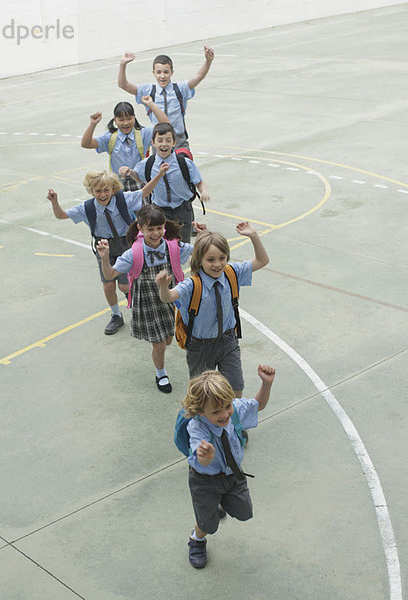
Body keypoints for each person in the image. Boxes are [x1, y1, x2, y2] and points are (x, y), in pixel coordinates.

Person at [97, 203, 205, 393]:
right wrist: (105, 258)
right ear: (140, 228)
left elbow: (199, 252)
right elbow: (111, 273)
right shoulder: (134, 253)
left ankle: (161, 359)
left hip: (171, 298)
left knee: (170, 339)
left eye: (159, 228)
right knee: (160, 344)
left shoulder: (173, 247)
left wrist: (204, 235)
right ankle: (161, 374)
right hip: (147, 301)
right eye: (150, 229)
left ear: (164, 226)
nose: (155, 233)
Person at [47, 168, 167, 335]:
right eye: (98, 191)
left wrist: (159, 175)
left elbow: (144, 191)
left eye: (106, 190)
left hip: (126, 244)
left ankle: (136, 304)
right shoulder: (87, 208)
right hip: (104, 248)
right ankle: (116, 315)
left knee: (125, 285)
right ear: (91, 191)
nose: (102, 194)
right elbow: (61, 215)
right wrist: (54, 201)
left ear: (113, 189)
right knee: (108, 286)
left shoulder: (123, 200)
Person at [156, 223, 269, 397]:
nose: (217, 264)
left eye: (222, 258)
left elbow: (262, 261)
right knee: (202, 395)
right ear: (199, 260)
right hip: (200, 346)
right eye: (210, 260)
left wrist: (253, 236)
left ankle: (232, 423)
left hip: (228, 340)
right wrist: (163, 286)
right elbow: (168, 297)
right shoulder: (192, 284)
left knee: (235, 387)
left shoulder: (232, 273)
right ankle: (204, 424)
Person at [182, 365, 276, 568]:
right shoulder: (197, 427)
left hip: (233, 475)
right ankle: (196, 539)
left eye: (227, 406)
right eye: (216, 411)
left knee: (244, 512)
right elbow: (201, 461)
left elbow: (257, 405)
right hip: (205, 481)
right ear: (200, 411)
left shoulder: (232, 410)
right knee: (209, 525)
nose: (224, 414)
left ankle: (219, 504)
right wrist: (205, 455)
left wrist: (266, 384)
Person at [121, 123, 210, 244]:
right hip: (161, 211)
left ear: (174, 142)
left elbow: (198, 182)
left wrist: (203, 191)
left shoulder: (184, 163)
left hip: (183, 209)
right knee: (162, 243)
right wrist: (130, 172)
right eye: (160, 140)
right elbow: (139, 177)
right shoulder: (148, 163)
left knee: (183, 243)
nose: (164, 144)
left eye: (168, 140)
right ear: (153, 142)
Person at [118, 46, 214, 148]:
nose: (162, 76)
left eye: (166, 72)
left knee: (183, 163)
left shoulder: (180, 89)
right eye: (159, 72)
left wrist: (208, 61)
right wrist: (123, 64)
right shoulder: (148, 91)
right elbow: (123, 84)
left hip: (178, 139)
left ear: (172, 72)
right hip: (159, 139)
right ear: (153, 73)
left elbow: (199, 76)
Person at [80, 99, 169, 191]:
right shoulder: (109, 138)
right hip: (117, 183)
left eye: (129, 119)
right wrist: (93, 124)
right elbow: (86, 144)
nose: (126, 123)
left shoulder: (143, 133)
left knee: (143, 205)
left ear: (134, 118)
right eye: (121, 120)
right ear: (115, 120)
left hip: (139, 180)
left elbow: (166, 126)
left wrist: (151, 105)